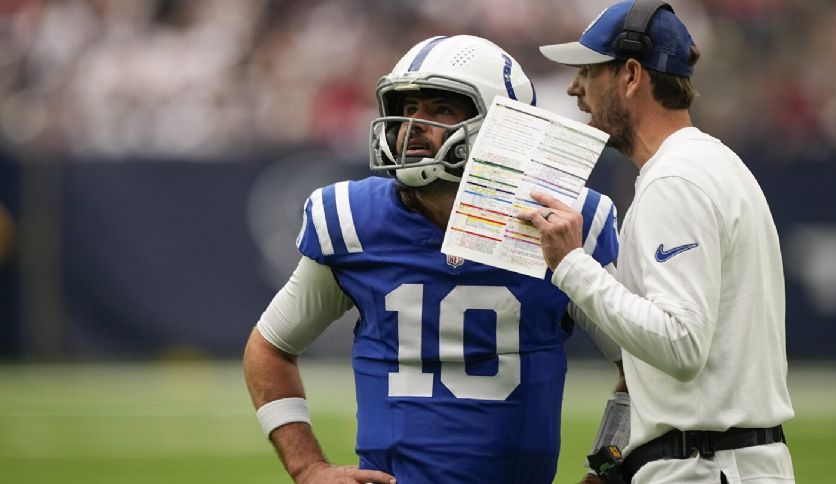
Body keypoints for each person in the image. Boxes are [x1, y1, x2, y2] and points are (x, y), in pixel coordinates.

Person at [243, 35, 625, 484]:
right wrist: (308, 467)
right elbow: (269, 348)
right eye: (406, 109)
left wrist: (605, 471)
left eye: (441, 109)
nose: (412, 126)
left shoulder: (564, 223)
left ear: (502, 125)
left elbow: (643, 367)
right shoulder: (353, 221)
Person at [522, 1, 796, 483]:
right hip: (720, 461)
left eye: (588, 71)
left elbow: (680, 345)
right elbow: (650, 368)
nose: (574, 89)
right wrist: (608, 461)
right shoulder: (707, 164)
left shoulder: (676, 179)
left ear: (630, 76)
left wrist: (571, 263)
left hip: (706, 465)